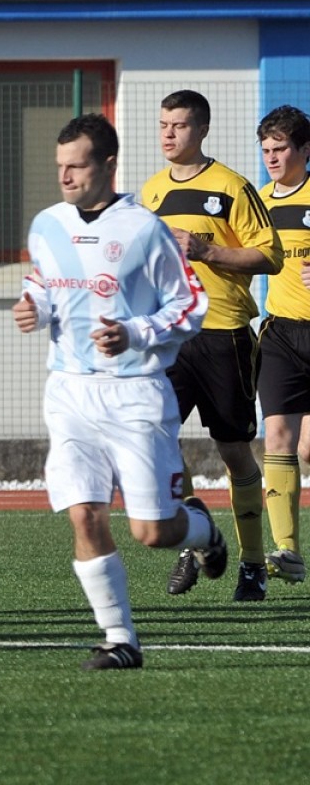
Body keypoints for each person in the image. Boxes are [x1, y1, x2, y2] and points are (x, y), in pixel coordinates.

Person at [15, 112, 224, 669]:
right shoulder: (47, 224)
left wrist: (134, 331)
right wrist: (32, 305)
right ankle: (120, 638)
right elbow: (43, 280)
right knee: (84, 514)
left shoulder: (144, 229)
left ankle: (202, 530)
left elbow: (190, 305)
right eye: (59, 166)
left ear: (108, 165)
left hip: (134, 393)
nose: (65, 176)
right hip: (69, 391)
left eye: (77, 165)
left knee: (152, 532)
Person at [139, 89, 283, 601]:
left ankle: (251, 565)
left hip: (224, 336)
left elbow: (270, 258)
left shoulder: (232, 188)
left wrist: (207, 249)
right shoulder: (150, 192)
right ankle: (193, 535)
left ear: (201, 129)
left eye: (178, 125)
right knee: (154, 442)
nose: (168, 134)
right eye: (162, 125)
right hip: (170, 339)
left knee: (234, 451)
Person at [255, 104, 310, 585]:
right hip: (280, 333)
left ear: (305, 149)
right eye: (267, 149)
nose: (272, 158)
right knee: (277, 438)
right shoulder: (257, 202)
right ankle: (287, 550)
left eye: (281, 148)